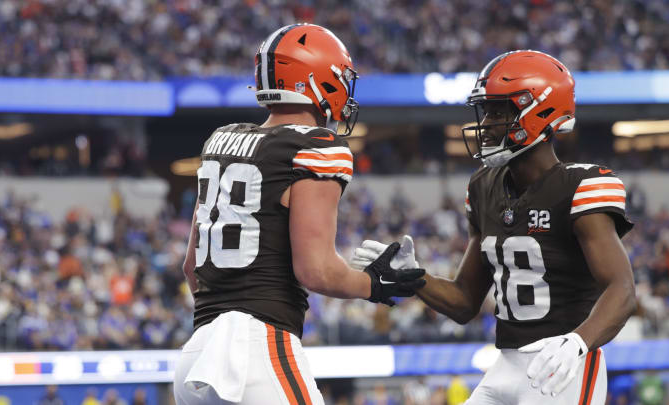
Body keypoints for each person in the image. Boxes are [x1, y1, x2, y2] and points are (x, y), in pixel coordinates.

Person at [351, 50, 636, 404]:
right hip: (505, 363)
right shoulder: (483, 186)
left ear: (541, 112)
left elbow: (622, 288)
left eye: (500, 111)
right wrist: (414, 278)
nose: (487, 123)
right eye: (486, 111)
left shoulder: (582, 185)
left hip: (562, 364)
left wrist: (579, 342)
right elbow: (464, 302)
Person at [173, 23, 425, 405]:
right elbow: (316, 271)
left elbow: (192, 267)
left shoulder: (220, 141)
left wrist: (228, 320)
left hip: (197, 352)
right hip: (257, 347)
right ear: (316, 80)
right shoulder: (316, 146)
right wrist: (375, 282)